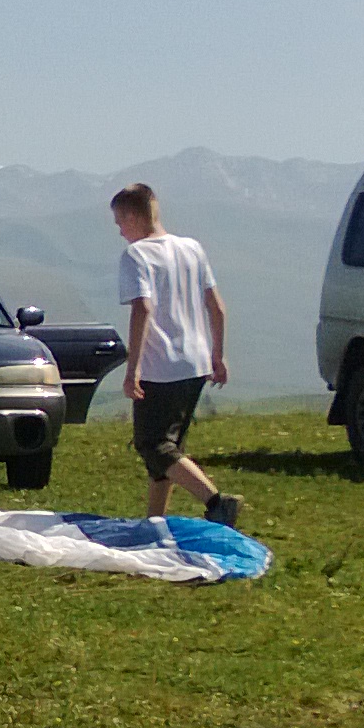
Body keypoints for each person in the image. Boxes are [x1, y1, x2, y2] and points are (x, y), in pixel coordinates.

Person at [110, 182, 242, 529]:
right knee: (169, 452)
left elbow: (143, 308)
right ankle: (155, 521)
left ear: (133, 217)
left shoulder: (136, 255)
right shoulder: (191, 248)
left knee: (152, 445)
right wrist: (218, 354)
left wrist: (132, 369)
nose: (119, 231)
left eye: (120, 222)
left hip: (161, 366)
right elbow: (216, 307)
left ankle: (217, 502)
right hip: (195, 362)